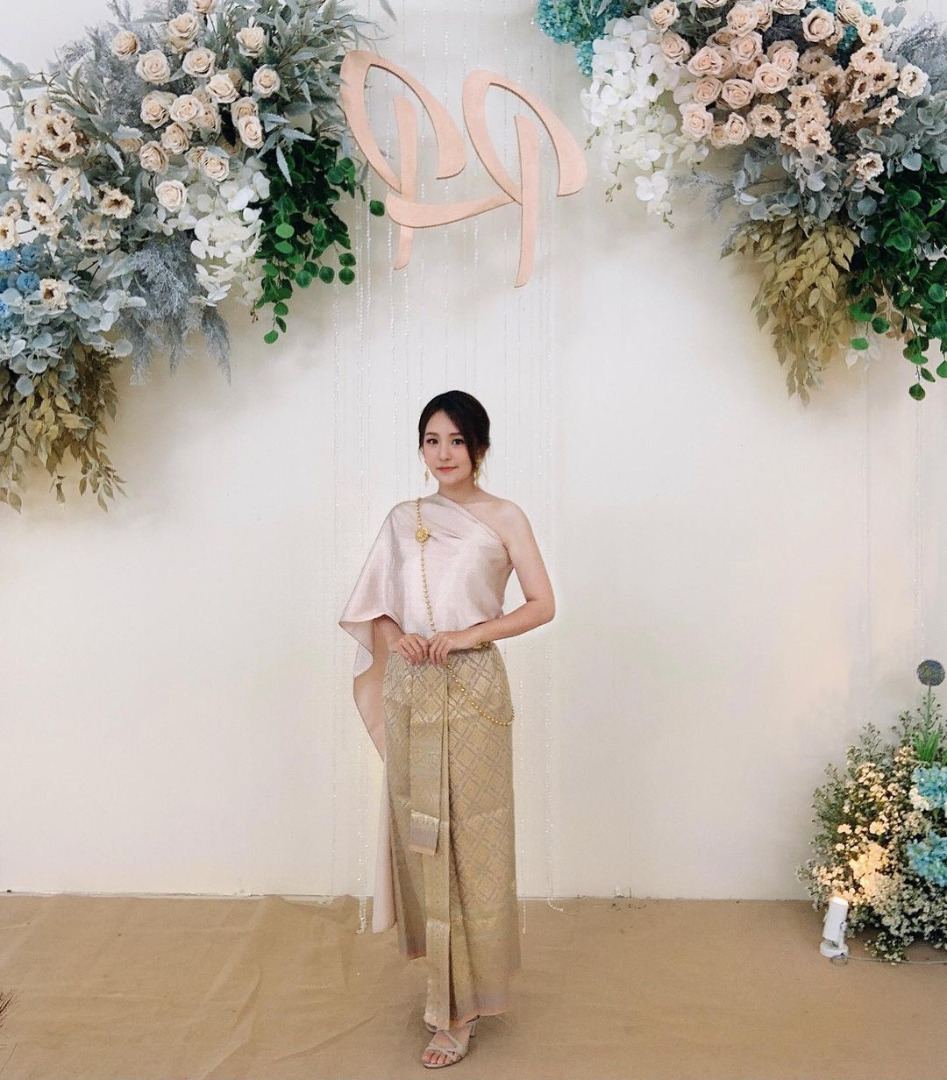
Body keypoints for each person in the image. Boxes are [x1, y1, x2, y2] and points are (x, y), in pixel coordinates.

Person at [338, 390, 555, 1068]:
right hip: (412, 688)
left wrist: (468, 635)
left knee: (473, 834)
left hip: (473, 690)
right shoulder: (402, 519)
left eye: (456, 440)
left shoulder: (504, 516)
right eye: (431, 440)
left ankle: (464, 1008)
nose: (442, 453)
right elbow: (374, 606)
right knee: (423, 834)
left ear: (479, 447)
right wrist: (397, 638)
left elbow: (542, 604)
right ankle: (444, 998)